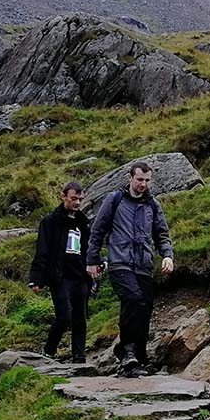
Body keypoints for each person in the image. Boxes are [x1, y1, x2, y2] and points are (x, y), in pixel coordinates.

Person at [87, 161, 175, 377]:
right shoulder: (114, 199)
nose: (143, 184)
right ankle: (126, 353)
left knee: (144, 308)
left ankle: (139, 359)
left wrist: (167, 255)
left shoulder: (153, 205)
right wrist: (92, 260)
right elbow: (98, 231)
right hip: (120, 263)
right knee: (133, 300)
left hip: (144, 265)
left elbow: (162, 234)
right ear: (130, 178)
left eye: (147, 180)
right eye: (139, 180)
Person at [29, 181, 92, 364]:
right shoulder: (50, 221)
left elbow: (89, 248)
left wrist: (96, 264)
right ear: (63, 196)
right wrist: (36, 278)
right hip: (60, 277)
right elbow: (42, 250)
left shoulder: (83, 222)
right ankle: (49, 350)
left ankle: (79, 357)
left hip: (80, 276)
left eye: (80, 199)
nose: (77, 203)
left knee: (80, 318)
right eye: (74, 198)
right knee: (64, 315)